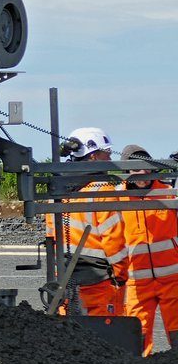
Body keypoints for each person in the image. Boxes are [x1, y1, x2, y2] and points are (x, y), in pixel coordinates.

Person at [55, 127, 127, 320]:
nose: (110, 158)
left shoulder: (55, 191)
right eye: (107, 153)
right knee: (106, 337)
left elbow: (52, 237)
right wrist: (121, 276)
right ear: (93, 155)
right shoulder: (102, 190)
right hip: (99, 282)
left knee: (69, 332)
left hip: (65, 278)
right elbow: (114, 241)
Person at [118, 144, 177, 355]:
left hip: (172, 278)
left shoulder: (170, 193)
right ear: (127, 173)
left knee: (177, 327)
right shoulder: (118, 197)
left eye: (146, 168)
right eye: (136, 170)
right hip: (137, 281)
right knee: (138, 332)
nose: (142, 174)